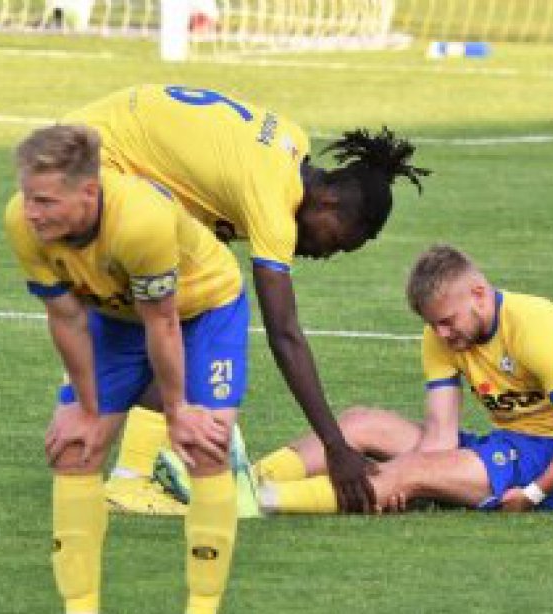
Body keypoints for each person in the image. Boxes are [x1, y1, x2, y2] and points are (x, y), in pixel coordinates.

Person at [62, 84, 430, 513]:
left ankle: (143, 457)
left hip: (86, 151)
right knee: (193, 301)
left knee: (184, 298)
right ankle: (134, 475)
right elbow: (284, 334)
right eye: (336, 242)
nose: (325, 254)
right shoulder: (274, 201)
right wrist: (335, 446)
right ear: (329, 202)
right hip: (89, 167)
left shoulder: (292, 144)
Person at [5, 124, 248, 614]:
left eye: (46, 201)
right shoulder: (22, 223)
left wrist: (178, 412)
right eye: (28, 197)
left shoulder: (139, 222)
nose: (32, 212)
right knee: (74, 449)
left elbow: (163, 322)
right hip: (115, 313)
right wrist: (86, 407)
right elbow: (66, 317)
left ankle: (202, 608)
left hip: (203, 309)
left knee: (205, 445)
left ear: (88, 192)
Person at [255, 244, 553, 513]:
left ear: (478, 294)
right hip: (506, 446)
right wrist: (414, 478)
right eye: (432, 324)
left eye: (447, 321)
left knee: (410, 471)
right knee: (360, 423)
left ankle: (260, 501)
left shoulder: (534, 328)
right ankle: (248, 478)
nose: (440, 334)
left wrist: (534, 493)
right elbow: (441, 434)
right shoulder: (441, 337)